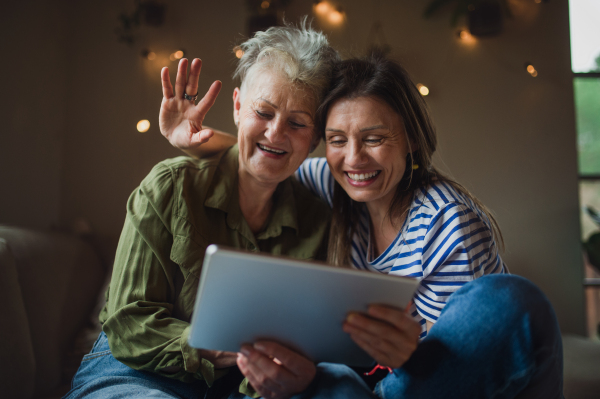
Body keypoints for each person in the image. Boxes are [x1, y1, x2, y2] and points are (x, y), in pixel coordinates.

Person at [166, 54, 565, 398]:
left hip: (437, 382)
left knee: (504, 301)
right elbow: (270, 160)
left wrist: (407, 357)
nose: (354, 159)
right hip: (368, 382)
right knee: (329, 378)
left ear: (409, 139)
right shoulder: (334, 184)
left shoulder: (447, 224)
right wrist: (192, 139)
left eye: (374, 138)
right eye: (337, 140)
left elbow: (455, 371)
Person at [64, 22, 390, 399]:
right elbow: (127, 322)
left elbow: (305, 344)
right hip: (135, 372)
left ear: (316, 138)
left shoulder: (319, 219)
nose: (275, 133)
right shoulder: (169, 186)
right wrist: (213, 344)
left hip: (242, 387)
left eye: (298, 123)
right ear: (237, 107)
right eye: (263, 112)